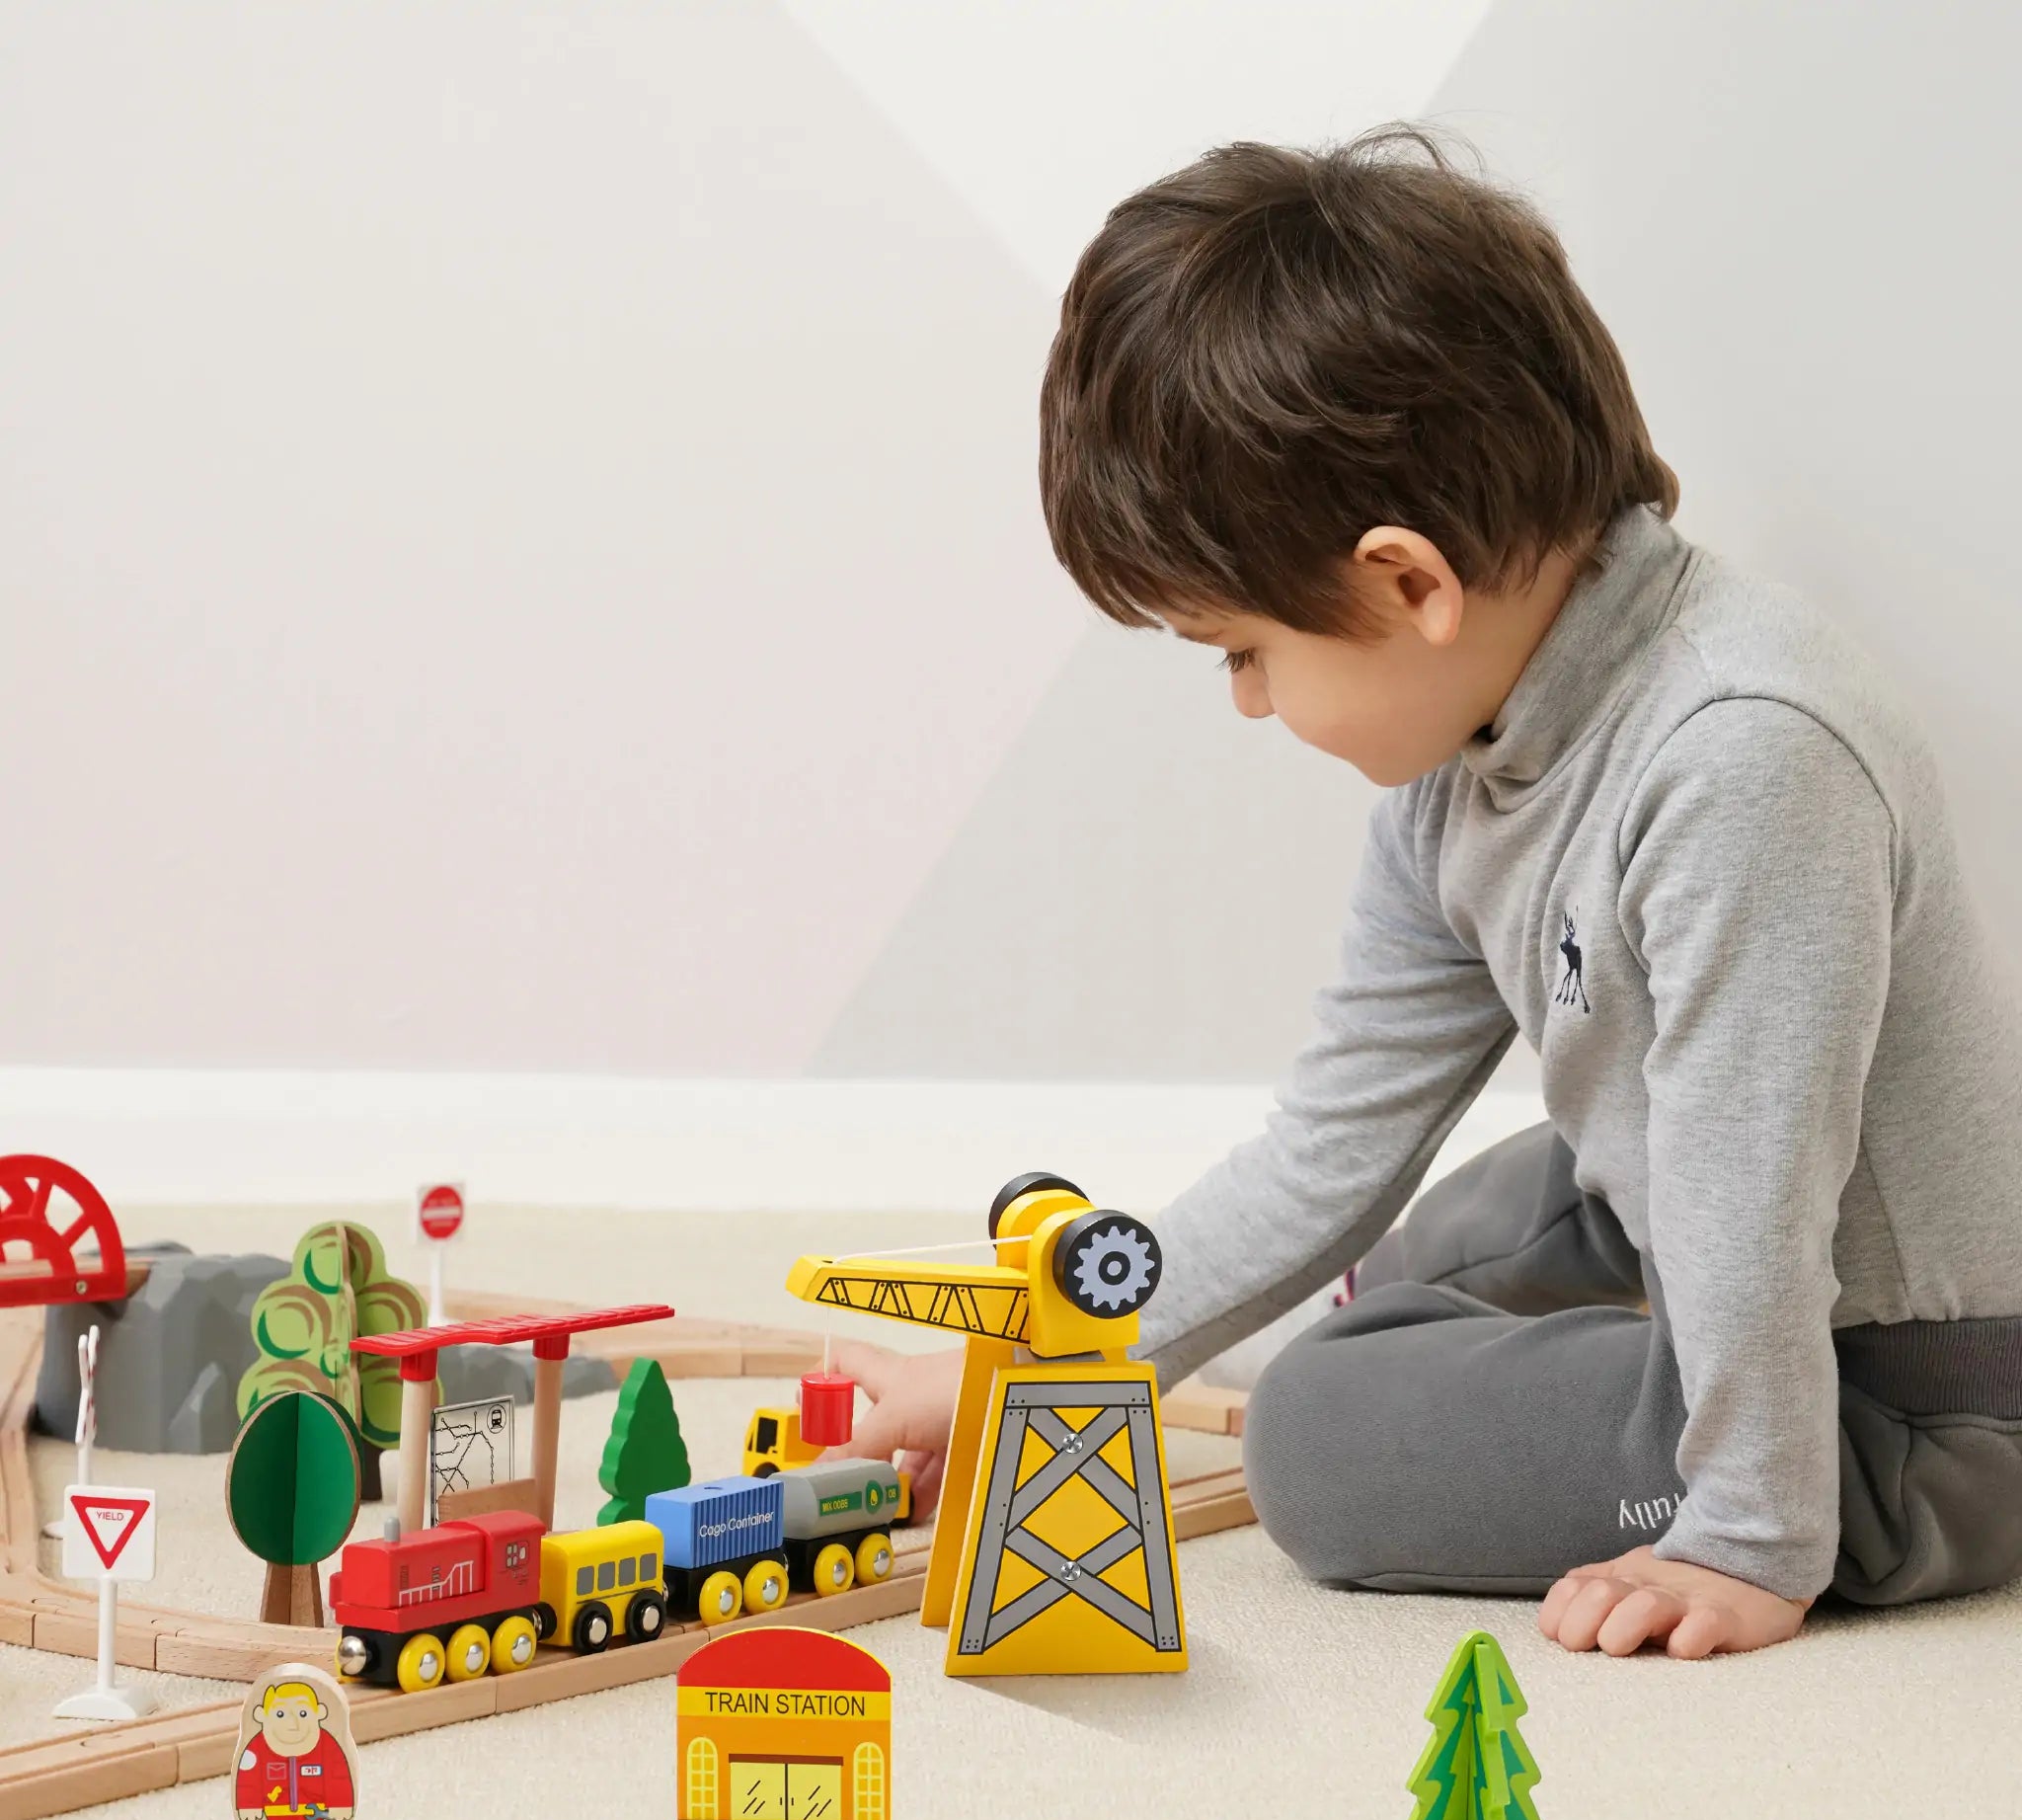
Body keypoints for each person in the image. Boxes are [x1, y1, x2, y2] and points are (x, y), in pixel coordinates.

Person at [827, 126, 2022, 1660]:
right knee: (1427, 1244)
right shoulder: (1469, 756)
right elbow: (1333, 1146)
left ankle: (1765, 1471)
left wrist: (1750, 1536)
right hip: (1691, 1237)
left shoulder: (1743, 760)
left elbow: (1749, 1201)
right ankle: (1602, 1395)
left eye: (1244, 651)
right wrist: (1045, 1375)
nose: (1248, 701)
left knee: (1317, 1436)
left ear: (1406, 584)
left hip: (1921, 1396)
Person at [236, 1676, 355, 1820]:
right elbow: (248, 1778)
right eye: (280, 1714)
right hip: (276, 1810)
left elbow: (338, 1775)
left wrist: (340, 1804)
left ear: (319, 1713)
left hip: (313, 1811)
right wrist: (249, 1804)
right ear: (261, 1715)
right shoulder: (257, 1749)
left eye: (302, 1713)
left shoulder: (327, 1746)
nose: (293, 1724)